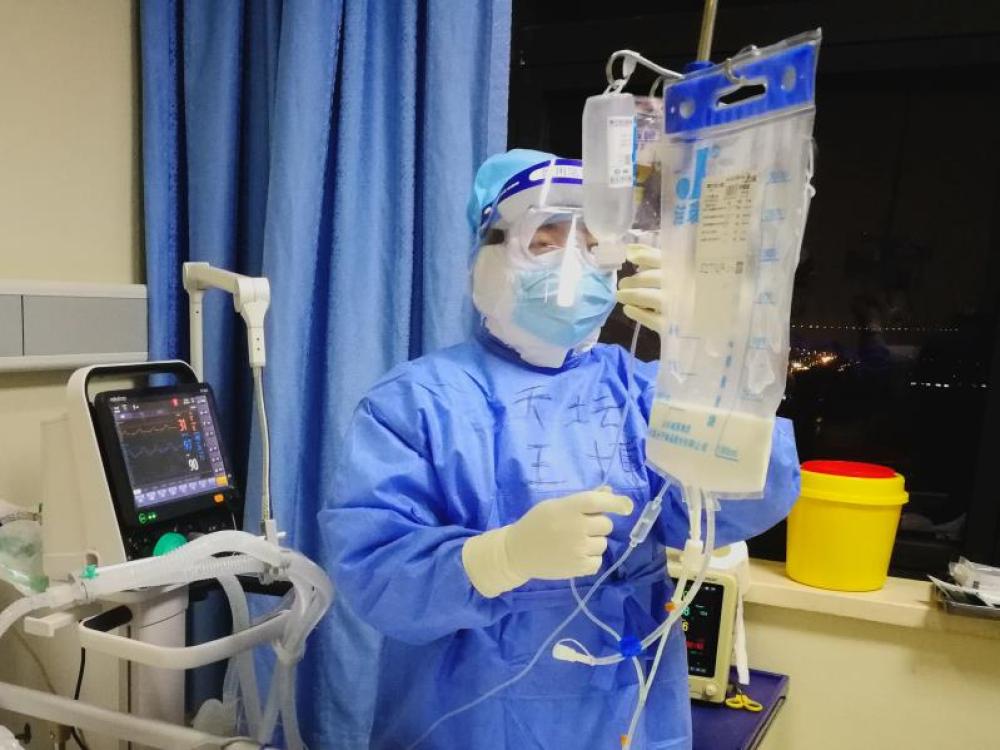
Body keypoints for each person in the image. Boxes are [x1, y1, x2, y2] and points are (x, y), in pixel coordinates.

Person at [319, 149, 800, 749]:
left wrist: (710, 368)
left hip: (626, 718)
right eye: (544, 244)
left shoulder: (642, 392)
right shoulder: (416, 403)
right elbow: (374, 571)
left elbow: (739, 501)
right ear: (488, 260)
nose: (572, 266)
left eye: (592, 247)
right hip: (463, 722)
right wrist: (501, 557)